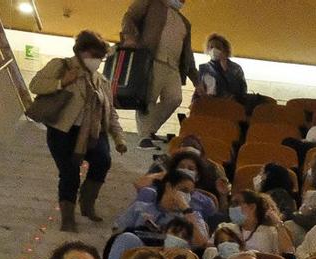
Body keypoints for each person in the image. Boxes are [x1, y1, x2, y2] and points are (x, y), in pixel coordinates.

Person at [30, 31, 125, 232]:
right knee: (69, 172)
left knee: (103, 160)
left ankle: (87, 203)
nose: (96, 61)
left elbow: (111, 113)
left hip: (93, 132)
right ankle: (67, 217)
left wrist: (119, 138)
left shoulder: (101, 81)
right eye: (93, 55)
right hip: (63, 131)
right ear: (81, 51)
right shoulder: (62, 65)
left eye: (100, 57)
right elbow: (35, 85)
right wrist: (61, 82)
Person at [119, 0, 194, 148]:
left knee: (175, 98)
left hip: (173, 66)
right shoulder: (150, 3)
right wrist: (129, 36)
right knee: (148, 99)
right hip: (152, 59)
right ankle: (145, 136)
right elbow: (129, 16)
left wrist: (196, 79)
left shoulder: (185, 22)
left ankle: (149, 130)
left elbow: (188, 53)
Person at [194, 34, 247, 102]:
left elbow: (241, 91)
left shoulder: (235, 68)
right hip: (209, 105)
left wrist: (226, 70)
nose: (214, 50)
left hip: (230, 105)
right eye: (211, 47)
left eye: (218, 47)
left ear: (225, 50)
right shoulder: (204, 68)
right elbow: (199, 90)